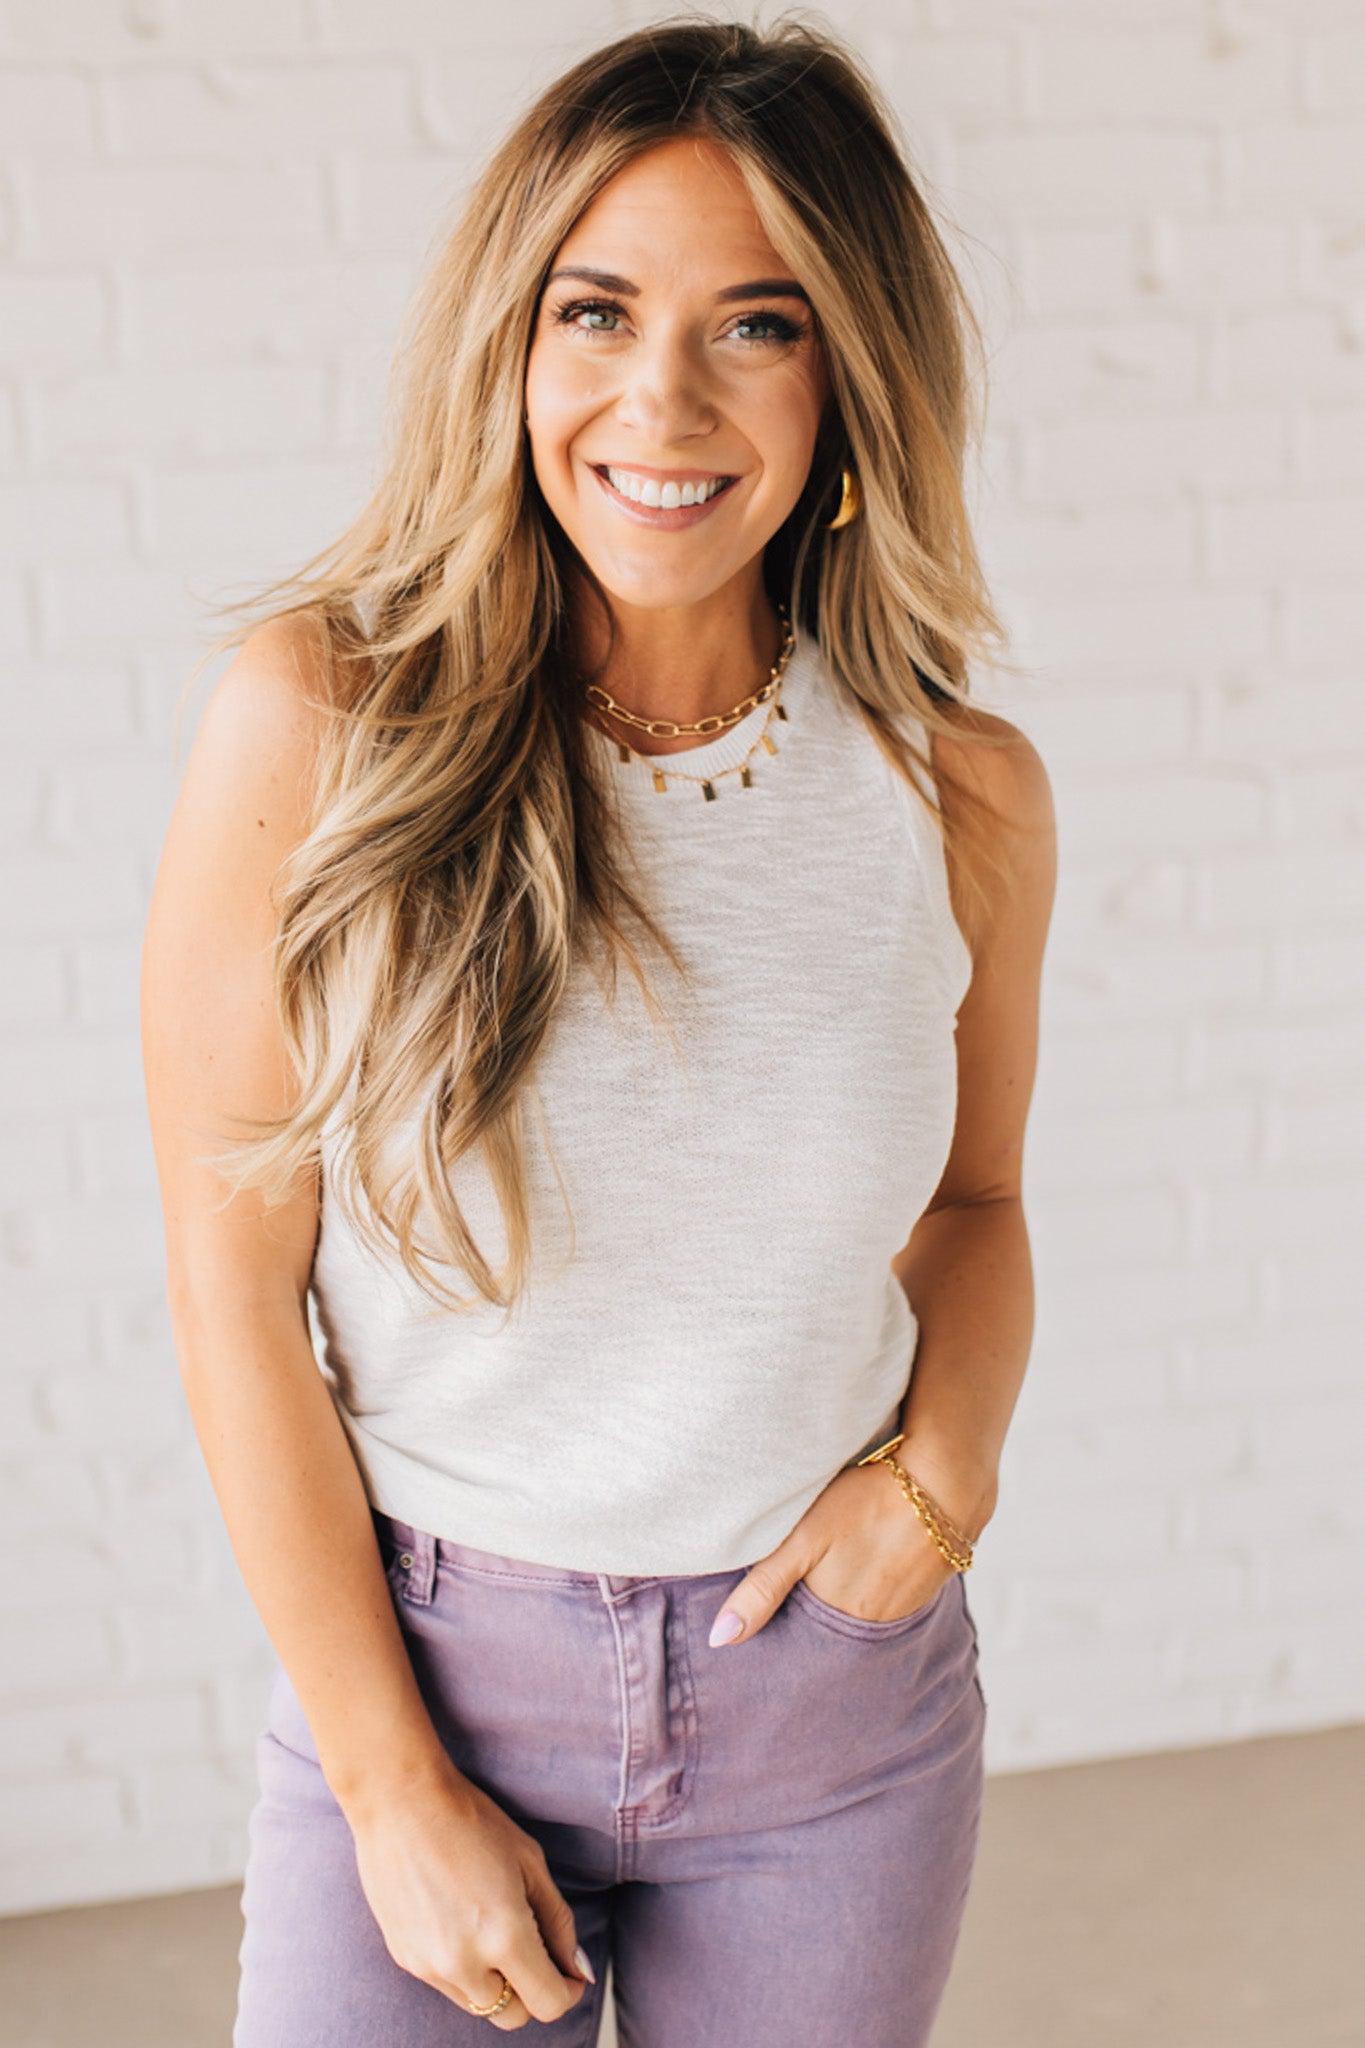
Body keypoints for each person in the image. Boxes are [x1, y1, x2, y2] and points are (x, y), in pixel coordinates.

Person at [141, 18, 1054, 2045]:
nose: (663, 397)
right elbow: (232, 1275)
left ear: (850, 373)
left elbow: (975, 1202)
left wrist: (943, 1475)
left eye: (758, 323)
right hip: (434, 1676)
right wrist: (388, 1784)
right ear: (510, 339)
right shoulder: (322, 722)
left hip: (831, 1726)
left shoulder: (956, 793)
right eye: (597, 311)